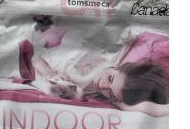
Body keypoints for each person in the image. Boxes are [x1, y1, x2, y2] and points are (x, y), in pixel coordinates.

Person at [21, 26, 169, 116]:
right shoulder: (117, 51)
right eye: (110, 78)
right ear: (118, 67)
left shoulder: (80, 87)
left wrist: (52, 75)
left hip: (41, 46)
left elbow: (34, 58)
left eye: (110, 93)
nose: (103, 86)